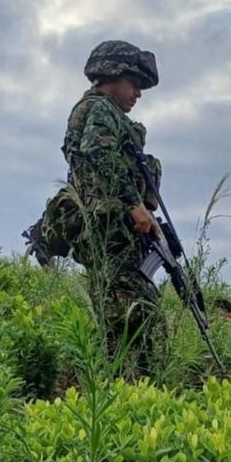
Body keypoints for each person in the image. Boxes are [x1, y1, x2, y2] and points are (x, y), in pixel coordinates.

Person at [30, 40, 165, 378]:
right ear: (112, 75)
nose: (138, 93)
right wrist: (133, 205)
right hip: (108, 233)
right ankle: (123, 385)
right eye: (133, 83)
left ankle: (127, 382)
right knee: (131, 313)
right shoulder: (99, 109)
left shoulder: (105, 113)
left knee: (134, 310)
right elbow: (98, 154)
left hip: (115, 231)